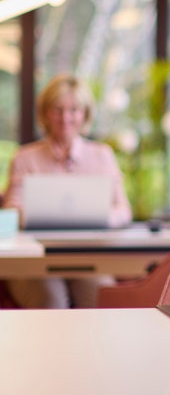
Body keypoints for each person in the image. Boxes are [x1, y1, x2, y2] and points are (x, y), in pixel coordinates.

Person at [2, 73, 132, 308]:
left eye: (73, 110)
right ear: (45, 113)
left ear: (84, 114)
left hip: (90, 256)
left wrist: (99, 217)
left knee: (97, 296)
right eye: (57, 109)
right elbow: (12, 207)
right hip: (34, 259)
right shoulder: (24, 157)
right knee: (51, 299)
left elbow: (123, 210)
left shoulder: (102, 156)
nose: (65, 118)